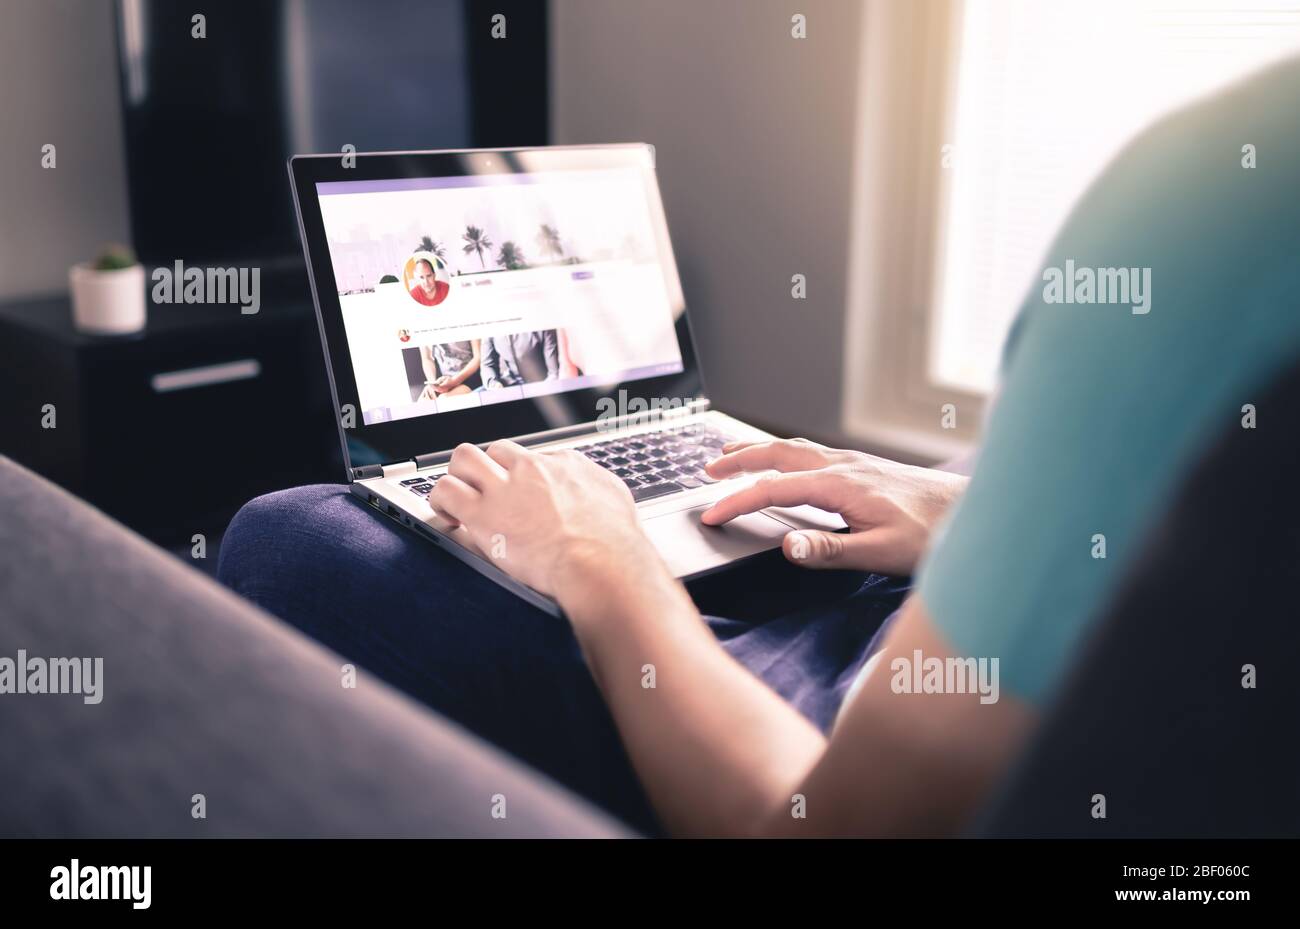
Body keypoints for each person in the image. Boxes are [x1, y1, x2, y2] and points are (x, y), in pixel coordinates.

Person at [219, 56, 1300, 836]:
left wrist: (603, 557)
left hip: (845, 751)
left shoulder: (1224, 198)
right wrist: (963, 518)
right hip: (992, 670)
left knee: (292, 535)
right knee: (911, 479)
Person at [480, 329, 560, 388]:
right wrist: (494, 384)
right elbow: (487, 364)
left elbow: (554, 373)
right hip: (510, 383)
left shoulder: (542, 327)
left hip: (542, 383)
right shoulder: (490, 330)